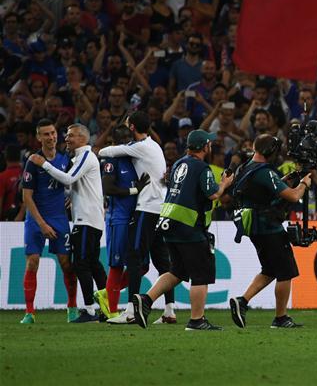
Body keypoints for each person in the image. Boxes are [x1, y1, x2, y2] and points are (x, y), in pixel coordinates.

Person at [132, 130, 234, 330]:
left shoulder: (179, 163)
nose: (211, 146)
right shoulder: (202, 167)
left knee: (177, 271)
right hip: (189, 227)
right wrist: (224, 184)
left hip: (169, 223)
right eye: (209, 144)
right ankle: (196, 320)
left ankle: (145, 300)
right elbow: (213, 195)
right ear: (205, 147)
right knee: (201, 275)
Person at [227, 134, 309, 329]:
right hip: (269, 227)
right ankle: (281, 318)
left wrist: (286, 179)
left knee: (270, 270)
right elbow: (292, 196)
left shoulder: (245, 167)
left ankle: (242, 301)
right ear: (271, 151)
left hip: (255, 227)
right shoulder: (265, 172)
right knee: (285, 272)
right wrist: (304, 183)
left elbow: (262, 189)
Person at [99, 111, 173, 325]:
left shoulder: (139, 147)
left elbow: (106, 150)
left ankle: (131, 310)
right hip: (161, 209)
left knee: (133, 258)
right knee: (162, 261)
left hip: (147, 209)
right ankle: (169, 311)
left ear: (132, 128)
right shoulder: (154, 146)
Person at [30, 123, 106, 323]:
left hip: (86, 220)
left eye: (70, 135)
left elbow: (67, 178)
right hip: (90, 219)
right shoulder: (78, 158)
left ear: (82, 138)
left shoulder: (86, 156)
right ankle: (109, 306)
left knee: (81, 264)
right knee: (93, 264)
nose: (66, 138)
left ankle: (89, 310)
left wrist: (43, 164)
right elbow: (76, 184)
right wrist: (71, 195)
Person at [19, 120, 79, 324]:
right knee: (32, 262)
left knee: (66, 264)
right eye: (46, 134)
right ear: (38, 138)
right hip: (36, 219)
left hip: (59, 218)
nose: (51, 137)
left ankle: (72, 307)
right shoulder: (33, 161)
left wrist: (72, 197)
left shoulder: (65, 160)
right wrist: (42, 224)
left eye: (53, 133)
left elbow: (74, 183)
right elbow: (26, 198)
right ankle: (29, 312)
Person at [96, 125, 149, 319]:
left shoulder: (135, 159)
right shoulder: (112, 160)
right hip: (118, 219)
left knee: (143, 265)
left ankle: (107, 293)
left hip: (137, 218)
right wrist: (135, 191)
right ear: (114, 142)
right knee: (117, 265)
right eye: (124, 139)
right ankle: (111, 310)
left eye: (130, 138)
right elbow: (108, 188)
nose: (129, 142)